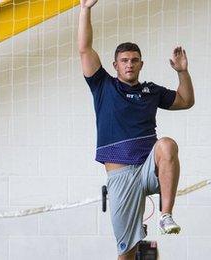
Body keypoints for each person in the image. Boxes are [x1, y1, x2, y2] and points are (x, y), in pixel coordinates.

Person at [77, 0, 194, 259]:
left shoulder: (150, 91)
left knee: (167, 144)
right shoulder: (103, 86)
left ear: (141, 64)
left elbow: (186, 101)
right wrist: (85, 9)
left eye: (134, 60)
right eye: (124, 61)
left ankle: (165, 215)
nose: (129, 64)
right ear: (116, 65)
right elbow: (85, 49)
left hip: (148, 169)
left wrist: (182, 72)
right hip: (121, 177)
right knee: (127, 253)